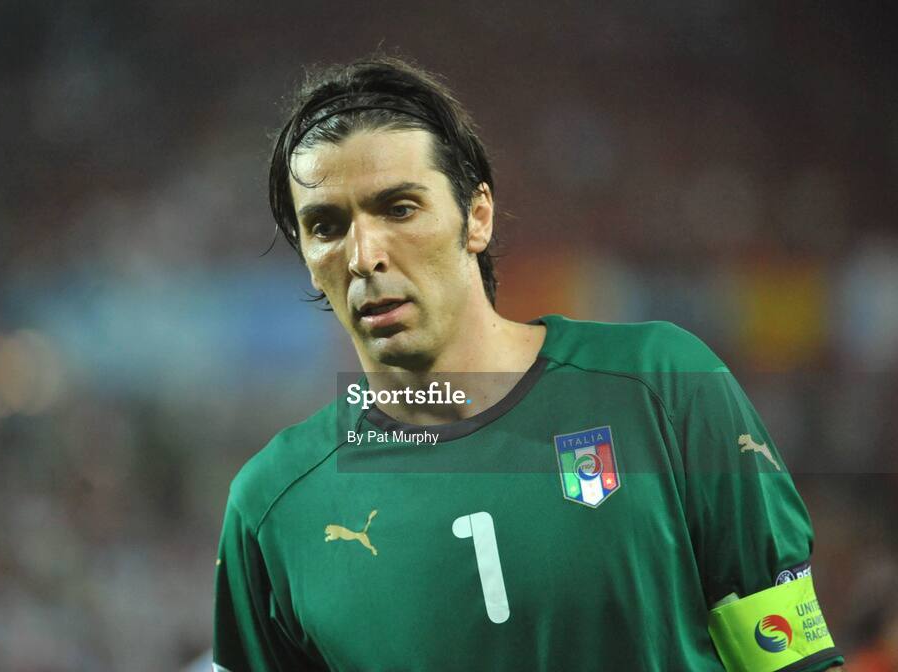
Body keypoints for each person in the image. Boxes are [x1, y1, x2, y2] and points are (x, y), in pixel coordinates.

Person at [212, 55, 845, 672]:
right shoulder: (273, 509)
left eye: (399, 208)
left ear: (477, 215)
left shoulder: (662, 386)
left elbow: (792, 660)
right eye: (326, 225)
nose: (365, 254)